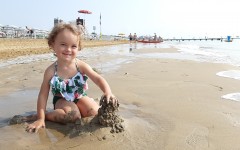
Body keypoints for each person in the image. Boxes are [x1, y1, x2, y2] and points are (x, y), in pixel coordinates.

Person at [24, 23, 117, 133]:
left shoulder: (80, 65)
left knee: (95, 112)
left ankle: (82, 107)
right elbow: (43, 95)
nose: (68, 49)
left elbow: (97, 78)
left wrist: (108, 91)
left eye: (73, 46)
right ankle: (46, 115)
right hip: (61, 100)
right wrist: (41, 118)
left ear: (78, 48)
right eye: (63, 44)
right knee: (73, 116)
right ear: (52, 44)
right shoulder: (51, 71)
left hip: (80, 97)